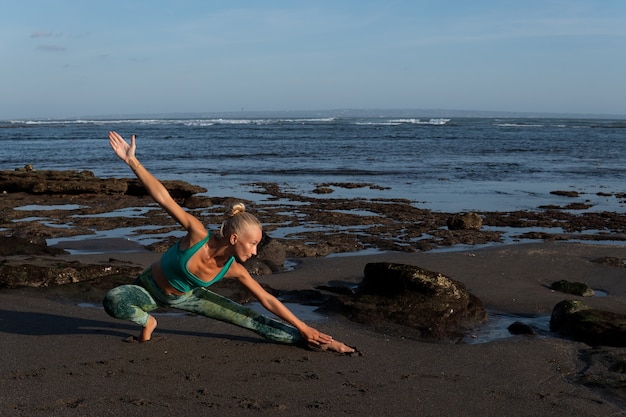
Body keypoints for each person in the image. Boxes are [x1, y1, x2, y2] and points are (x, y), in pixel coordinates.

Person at [103, 131, 355, 354]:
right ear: (234, 238)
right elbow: (164, 198)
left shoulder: (234, 269)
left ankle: (320, 342)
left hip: (186, 297)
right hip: (148, 289)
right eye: (252, 244)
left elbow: (267, 300)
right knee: (114, 300)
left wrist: (304, 327)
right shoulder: (197, 234)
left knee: (251, 319)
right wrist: (132, 161)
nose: (255, 251)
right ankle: (149, 322)